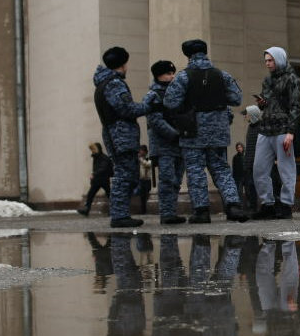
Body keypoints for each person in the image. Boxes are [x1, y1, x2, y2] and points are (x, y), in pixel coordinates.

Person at [163, 39, 247, 223]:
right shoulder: (222, 75)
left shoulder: (183, 76)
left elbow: (170, 102)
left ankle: (201, 211)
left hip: (192, 131)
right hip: (218, 130)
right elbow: (236, 98)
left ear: (188, 55)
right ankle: (233, 206)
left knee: (195, 170)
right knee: (222, 169)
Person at [91, 45, 151, 228]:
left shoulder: (102, 83)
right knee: (125, 175)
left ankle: (120, 214)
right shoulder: (114, 83)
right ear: (123, 64)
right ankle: (119, 215)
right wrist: (148, 104)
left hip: (113, 133)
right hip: (121, 134)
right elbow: (126, 109)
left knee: (123, 174)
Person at [249, 45, 300, 219]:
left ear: (279, 59)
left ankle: (286, 205)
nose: (267, 63)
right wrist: (261, 103)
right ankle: (267, 205)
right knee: (259, 168)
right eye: (265, 60)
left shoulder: (292, 79)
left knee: (286, 169)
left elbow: (296, 106)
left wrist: (291, 132)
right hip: (265, 129)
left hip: (282, 129)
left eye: (270, 60)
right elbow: (264, 105)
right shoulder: (268, 80)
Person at [142, 59, 186, 225]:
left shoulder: (177, 93)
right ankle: (166, 213)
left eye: (173, 72)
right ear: (159, 75)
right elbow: (154, 120)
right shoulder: (153, 95)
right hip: (164, 145)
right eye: (168, 73)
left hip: (179, 143)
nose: (172, 76)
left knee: (176, 181)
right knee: (167, 180)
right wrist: (174, 134)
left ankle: (171, 211)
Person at [77, 141, 112, 217]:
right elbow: (96, 168)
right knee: (90, 195)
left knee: (109, 195)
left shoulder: (104, 158)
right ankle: (86, 209)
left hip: (104, 180)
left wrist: (94, 174)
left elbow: (103, 168)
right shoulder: (96, 157)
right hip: (97, 181)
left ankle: (114, 210)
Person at [230, 142, 251, 213]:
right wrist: (234, 178)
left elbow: (249, 166)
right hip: (239, 178)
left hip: (247, 177)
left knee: (248, 192)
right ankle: (241, 208)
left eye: (240, 147)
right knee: (239, 193)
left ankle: (249, 207)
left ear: (243, 147)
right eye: (237, 148)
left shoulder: (246, 156)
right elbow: (234, 168)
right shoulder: (235, 157)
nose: (239, 149)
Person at [134, 146, 152, 215]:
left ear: (145, 152)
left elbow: (147, 165)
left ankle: (145, 209)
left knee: (146, 195)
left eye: (141, 151)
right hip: (140, 180)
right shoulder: (138, 161)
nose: (140, 152)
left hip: (147, 180)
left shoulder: (148, 159)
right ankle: (142, 210)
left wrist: (140, 159)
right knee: (142, 196)